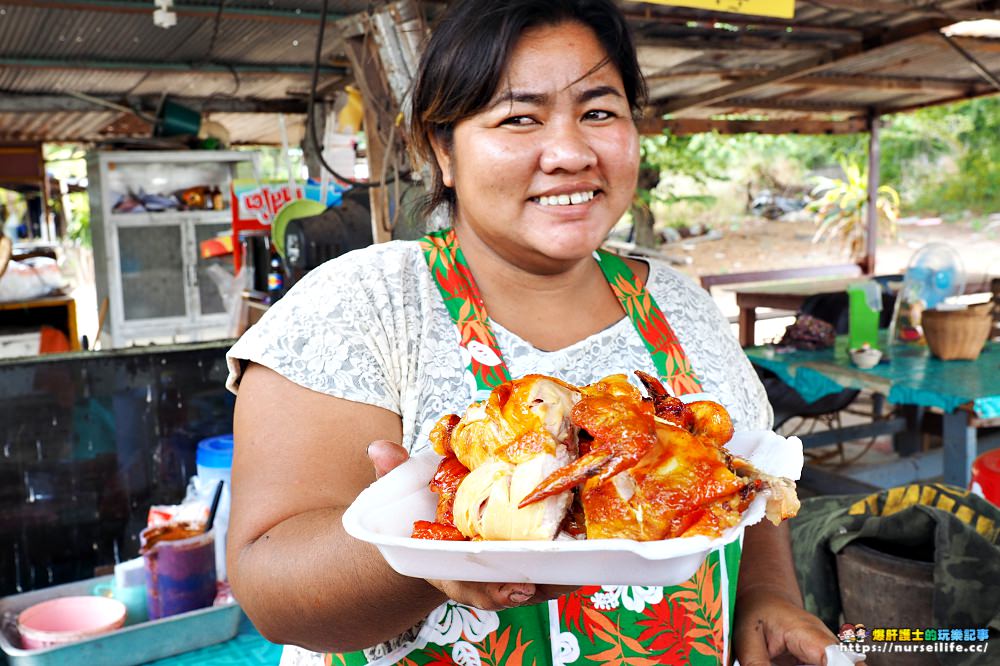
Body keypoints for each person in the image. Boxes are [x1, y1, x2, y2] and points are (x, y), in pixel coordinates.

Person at [225, 1, 843, 664]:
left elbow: (745, 486)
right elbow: (268, 581)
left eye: (599, 112)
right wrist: (424, 550)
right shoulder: (362, 307)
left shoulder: (680, 306)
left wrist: (770, 600)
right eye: (519, 117)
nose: (571, 152)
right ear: (443, 149)